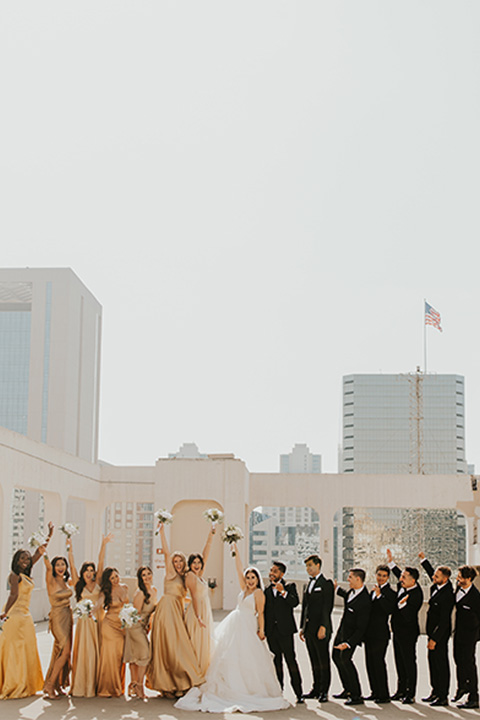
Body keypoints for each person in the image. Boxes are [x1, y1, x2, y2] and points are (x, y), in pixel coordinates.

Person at [175, 543, 290, 713]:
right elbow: (239, 569)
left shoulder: (259, 593)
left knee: (248, 658)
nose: (250, 581)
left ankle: (248, 689)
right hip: (234, 624)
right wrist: (236, 551)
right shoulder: (243, 589)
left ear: (257, 579)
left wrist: (261, 630)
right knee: (227, 655)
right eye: (248, 578)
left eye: (253, 578)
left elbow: (261, 613)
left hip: (248, 626)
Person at [147, 522, 204, 697]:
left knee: (177, 647)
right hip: (166, 611)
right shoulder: (170, 573)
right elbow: (165, 551)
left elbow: (186, 595)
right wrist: (162, 532)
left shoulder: (184, 576)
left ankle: (178, 683)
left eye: (180, 561)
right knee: (169, 647)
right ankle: (167, 687)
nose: (177, 563)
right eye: (175, 561)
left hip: (177, 610)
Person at [0, 522, 53, 699]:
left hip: (26, 616)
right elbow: (13, 596)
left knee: (27, 649)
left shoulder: (26, 572)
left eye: (27, 559)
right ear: (15, 561)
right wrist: (5, 614)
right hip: (14, 615)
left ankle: (27, 684)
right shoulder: (15, 576)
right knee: (15, 649)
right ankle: (14, 684)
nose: (25, 561)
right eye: (22, 558)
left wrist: (50, 534)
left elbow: (40, 551)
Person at [67, 533, 112, 697]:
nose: (90, 572)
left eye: (91, 570)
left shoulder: (98, 582)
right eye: (87, 570)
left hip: (98, 620)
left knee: (97, 650)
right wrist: (70, 548)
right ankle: (82, 685)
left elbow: (101, 562)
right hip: (84, 624)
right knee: (86, 651)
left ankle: (95, 685)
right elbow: (71, 565)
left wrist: (104, 544)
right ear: (83, 572)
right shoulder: (78, 584)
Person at [387, 549, 424, 704]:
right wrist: (390, 562)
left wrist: (402, 606)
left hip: (408, 633)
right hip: (397, 631)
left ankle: (410, 693)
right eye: (401, 576)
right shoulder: (403, 585)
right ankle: (400, 690)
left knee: (409, 662)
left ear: (413, 580)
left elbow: (409, 615)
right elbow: (397, 572)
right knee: (399, 661)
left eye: (404, 577)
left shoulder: (417, 594)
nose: (401, 578)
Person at [418, 552, 455, 706]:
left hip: (440, 634)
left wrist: (434, 638)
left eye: (437, 576)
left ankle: (442, 695)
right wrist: (423, 560)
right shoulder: (436, 586)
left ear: (445, 579)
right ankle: (435, 691)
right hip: (431, 633)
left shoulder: (448, 594)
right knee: (432, 662)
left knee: (441, 663)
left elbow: (445, 621)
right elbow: (431, 572)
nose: (434, 578)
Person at [264, 561, 303, 704]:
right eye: (271, 570)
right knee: (276, 663)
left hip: (285, 632)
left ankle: (299, 693)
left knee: (291, 661)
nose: (271, 573)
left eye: (275, 571)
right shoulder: (267, 590)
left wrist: (283, 592)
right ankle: (279, 691)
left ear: (281, 574)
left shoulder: (290, 586)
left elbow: (295, 602)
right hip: (272, 633)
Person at [332, 568, 371, 706]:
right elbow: (345, 595)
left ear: (358, 579)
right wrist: (336, 589)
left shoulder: (365, 600)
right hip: (341, 632)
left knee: (346, 660)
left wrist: (349, 643)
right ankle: (347, 689)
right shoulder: (351, 592)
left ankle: (356, 695)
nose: (348, 579)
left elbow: (362, 628)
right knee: (336, 657)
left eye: (350, 577)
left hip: (351, 637)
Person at [299, 554, 334, 702]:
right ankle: (316, 688)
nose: (308, 569)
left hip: (321, 628)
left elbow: (327, 607)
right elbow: (305, 607)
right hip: (309, 629)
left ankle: (324, 691)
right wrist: (302, 627)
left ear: (318, 565)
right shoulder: (307, 584)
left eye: (310, 565)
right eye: (307, 566)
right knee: (313, 660)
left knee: (323, 660)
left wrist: (323, 626)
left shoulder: (326, 583)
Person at [184, 525, 216, 676]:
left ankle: (202, 671)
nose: (196, 565)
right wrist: (198, 616)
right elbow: (195, 597)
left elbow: (206, 553)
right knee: (196, 642)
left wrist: (211, 535)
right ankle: (195, 673)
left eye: (198, 563)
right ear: (189, 564)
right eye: (194, 563)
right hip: (197, 611)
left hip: (204, 609)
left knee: (204, 641)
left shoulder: (199, 575)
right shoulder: (190, 576)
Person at [363, 564, 396, 703]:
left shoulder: (390, 593)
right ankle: (374, 691)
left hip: (380, 635)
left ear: (388, 577)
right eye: (379, 575)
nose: (381, 578)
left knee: (378, 663)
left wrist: (379, 596)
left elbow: (388, 610)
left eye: (384, 576)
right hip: (369, 634)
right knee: (369, 663)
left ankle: (383, 694)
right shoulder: (372, 590)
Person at [43, 554, 74, 699]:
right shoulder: (51, 580)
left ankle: (57, 684)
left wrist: (70, 550)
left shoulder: (66, 581)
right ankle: (49, 685)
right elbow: (47, 566)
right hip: (57, 617)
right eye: (58, 565)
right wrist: (44, 550)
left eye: (63, 564)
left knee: (60, 652)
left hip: (68, 617)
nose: (61, 567)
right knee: (65, 650)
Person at [124, 565, 157, 699]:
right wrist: (145, 622)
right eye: (144, 575)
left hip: (144, 627)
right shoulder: (140, 593)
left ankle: (134, 685)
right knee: (145, 655)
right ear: (140, 578)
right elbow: (135, 615)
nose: (147, 577)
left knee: (136, 657)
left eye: (149, 573)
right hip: (135, 627)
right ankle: (139, 687)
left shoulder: (154, 590)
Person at [96, 567, 129, 697]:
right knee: (110, 656)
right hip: (109, 625)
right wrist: (91, 610)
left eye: (116, 576)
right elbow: (99, 603)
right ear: (108, 580)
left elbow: (127, 606)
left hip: (122, 625)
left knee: (119, 655)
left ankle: (118, 686)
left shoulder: (125, 587)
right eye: (112, 578)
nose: (115, 580)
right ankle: (107, 688)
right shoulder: (106, 591)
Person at [452, 565, 480, 709]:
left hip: (470, 636)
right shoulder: (458, 588)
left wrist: (475, 636)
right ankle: (463, 686)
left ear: (469, 579)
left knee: (469, 664)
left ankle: (474, 696)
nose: (458, 578)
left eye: (461, 577)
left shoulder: (476, 596)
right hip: (458, 633)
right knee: (458, 660)